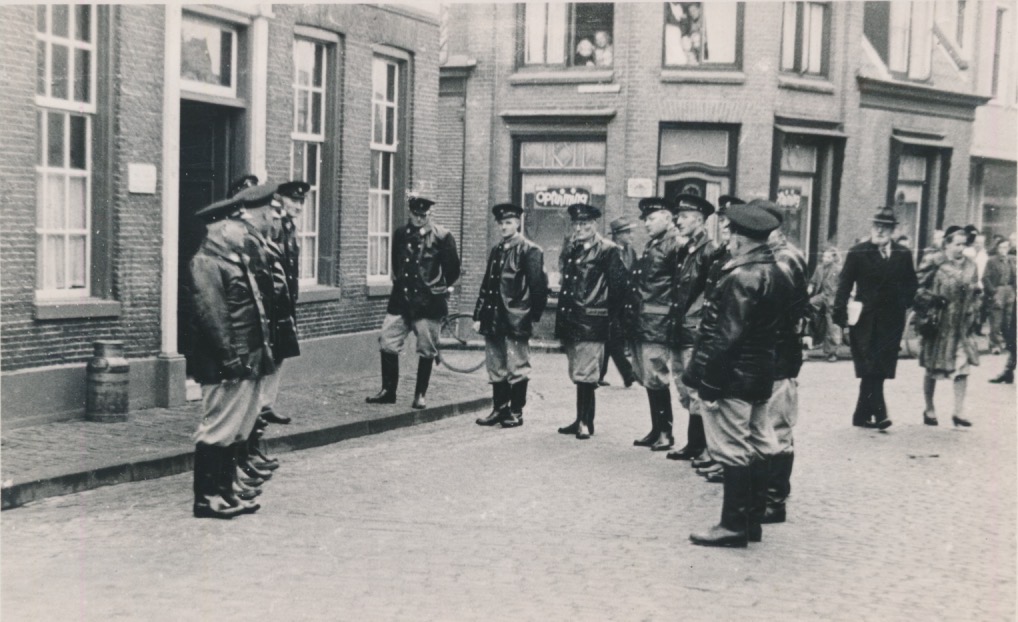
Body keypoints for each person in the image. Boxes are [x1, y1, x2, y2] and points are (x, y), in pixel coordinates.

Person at [682, 201, 785, 547]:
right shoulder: (774, 270)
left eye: (730, 233)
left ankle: (734, 525)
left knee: (732, 448)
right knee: (757, 442)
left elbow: (726, 338)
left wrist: (709, 385)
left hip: (733, 378)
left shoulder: (741, 276)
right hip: (759, 375)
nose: (728, 239)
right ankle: (751, 522)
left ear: (741, 238)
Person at [188, 195, 275, 519]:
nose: (245, 231)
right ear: (224, 228)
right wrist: (229, 360)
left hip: (247, 359)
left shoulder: (234, 259)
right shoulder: (206, 262)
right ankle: (206, 499)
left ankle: (226, 492)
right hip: (227, 363)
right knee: (218, 429)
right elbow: (213, 317)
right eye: (240, 225)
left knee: (238, 428)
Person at [367, 197, 461, 409]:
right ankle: (388, 391)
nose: (419, 219)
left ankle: (420, 395)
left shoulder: (442, 236)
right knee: (387, 341)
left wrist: (436, 288)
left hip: (428, 303)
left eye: (423, 215)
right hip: (401, 301)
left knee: (426, 348)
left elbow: (452, 270)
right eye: (416, 214)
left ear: (429, 214)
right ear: (409, 213)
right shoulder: (401, 234)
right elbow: (396, 263)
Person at [833, 207, 918, 430]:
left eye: (885, 227)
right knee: (871, 365)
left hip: (892, 320)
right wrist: (840, 316)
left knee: (879, 366)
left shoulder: (903, 254)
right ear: (871, 227)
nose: (880, 230)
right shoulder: (858, 252)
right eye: (876, 226)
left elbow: (911, 283)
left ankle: (860, 414)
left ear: (893, 230)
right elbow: (844, 284)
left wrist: (903, 302)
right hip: (865, 319)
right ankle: (880, 413)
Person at [554, 203, 629, 439]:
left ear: (594, 224)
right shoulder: (572, 248)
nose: (579, 228)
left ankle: (586, 422)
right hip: (571, 319)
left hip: (591, 320)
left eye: (584, 223)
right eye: (576, 224)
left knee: (587, 373)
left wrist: (604, 315)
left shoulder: (607, 250)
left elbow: (619, 288)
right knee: (578, 372)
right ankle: (580, 419)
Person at [473, 203, 548, 428]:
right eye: (501, 223)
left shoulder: (530, 250)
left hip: (516, 318)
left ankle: (516, 411)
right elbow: (487, 285)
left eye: (508, 222)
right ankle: (499, 409)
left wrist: (530, 316)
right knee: (496, 365)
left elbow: (538, 288)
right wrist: (479, 315)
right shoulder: (497, 250)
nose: (504, 227)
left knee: (517, 366)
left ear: (517, 223)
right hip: (493, 317)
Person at [759, 204, 810, 526]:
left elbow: (780, 312)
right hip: (775, 352)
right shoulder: (776, 256)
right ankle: (771, 492)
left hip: (779, 354)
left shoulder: (784, 259)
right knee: (770, 423)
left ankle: (775, 499)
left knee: (777, 424)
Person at [625, 197, 683, 452]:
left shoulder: (675, 245)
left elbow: (678, 287)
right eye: (646, 219)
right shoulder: (655, 244)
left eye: (651, 218)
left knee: (657, 376)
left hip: (658, 322)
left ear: (668, 218)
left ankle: (666, 433)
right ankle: (656, 429)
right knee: (648, 376)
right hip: (645, 320)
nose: (646, 224)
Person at [664, 194, 718, 462]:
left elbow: (708, 293)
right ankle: (695, 444)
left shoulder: (710, 250)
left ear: (699, 220)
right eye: (678, 216)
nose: (678, 221)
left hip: (692, 330)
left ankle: (700, 445)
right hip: (679, 328)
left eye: (684, 217)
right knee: (684, 387)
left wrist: (694, 321)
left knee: (695, 389)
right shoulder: (685, 249)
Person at [916, 227, 981, 427]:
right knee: (932, 368)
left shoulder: (971, 266)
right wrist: (933, 299)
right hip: (938, 324)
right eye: (957, 244)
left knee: (963, 367)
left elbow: (976, 291)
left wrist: (975, 309)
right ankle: (929, 408)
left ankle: (958, 412)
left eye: (964, 244)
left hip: (962, 325)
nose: (961, 248)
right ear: (946, 244)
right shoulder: (935, 262)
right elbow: (917, 288)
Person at [598, 217, 639, 387]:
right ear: (618, 235)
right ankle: (628, 374)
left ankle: (599, 374)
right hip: (610, 302)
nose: (631, 235)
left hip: (625, 303)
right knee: (614, 338)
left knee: (611, 339)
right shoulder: (608, 251)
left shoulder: (631, 252)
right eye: (627, 232)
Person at [808, 246, 843, 362]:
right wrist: (809, 288)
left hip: (833, 299)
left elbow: (844, 285)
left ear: (833, 258)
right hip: (822, 296)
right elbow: (813, 282)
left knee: (832, 325)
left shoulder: (839, 269)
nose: (825, 259)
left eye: (828, 257)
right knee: (807, 307)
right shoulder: (819, 268)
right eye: (824, 257)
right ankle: (814, 340)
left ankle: (832, 352)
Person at [984, 237, 1015, 355]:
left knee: (1008, 319)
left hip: (1010, 290)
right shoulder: (992, 261)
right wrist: (993, 291)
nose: (1003, 250)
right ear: (997, 248)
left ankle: (1008, 342)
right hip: (998, 290)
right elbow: (985, 277)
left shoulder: (1011, 260)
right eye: (1001, 247)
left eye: (1006, 247)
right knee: (996, 319)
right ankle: (995, 344)